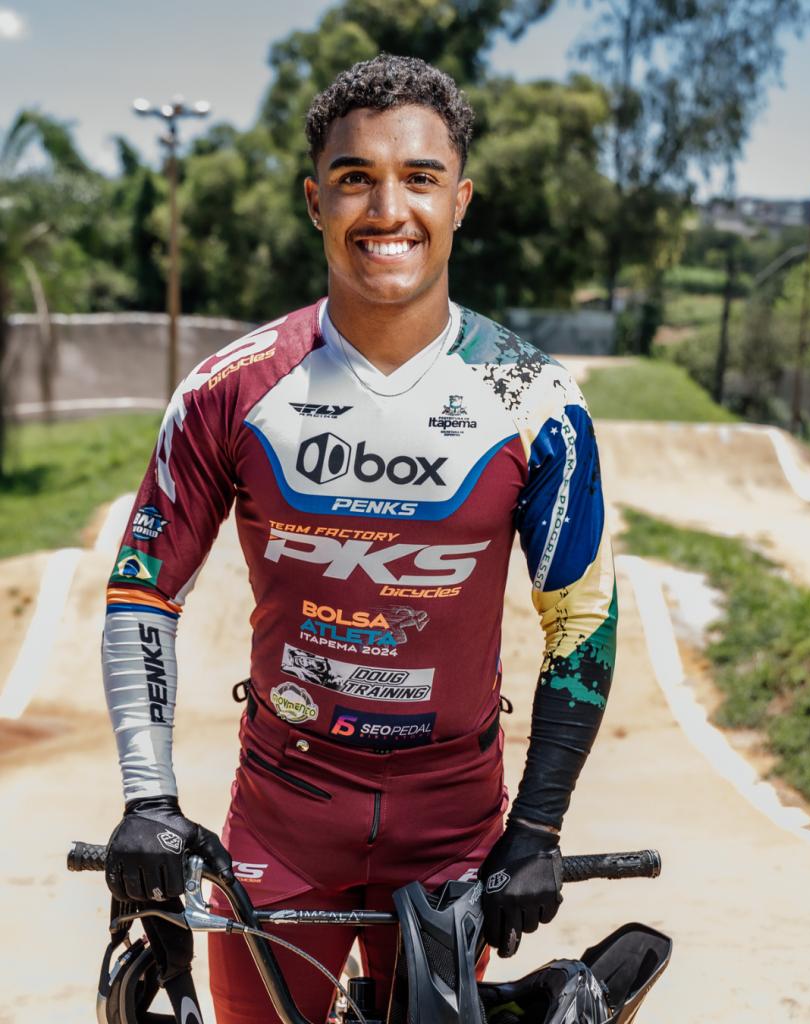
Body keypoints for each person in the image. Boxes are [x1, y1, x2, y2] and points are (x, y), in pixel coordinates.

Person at [101, 54, 617, 1024]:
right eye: (355, 178)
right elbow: (142, 589)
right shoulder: (229, 389)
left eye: (419, 177)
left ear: (459, 200)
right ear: (315, 200)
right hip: (282, 821)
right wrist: (149, 799)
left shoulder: (535, 398)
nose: (388, 209)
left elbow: (581, 614)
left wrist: (538, 825)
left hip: (454, 827)